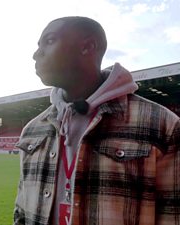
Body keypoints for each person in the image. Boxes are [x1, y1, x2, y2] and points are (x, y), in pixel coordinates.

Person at [13, 16, 180, 225]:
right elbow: (21, 213)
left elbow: (173, 215)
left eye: (49, 40)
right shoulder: (33, 129)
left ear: (88, 46)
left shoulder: (162, 125)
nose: (36, 54)